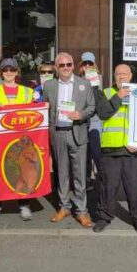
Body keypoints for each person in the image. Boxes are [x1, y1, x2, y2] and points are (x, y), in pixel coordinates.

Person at [92, 63, 137, 233]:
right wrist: (118, 96)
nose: (121, 77)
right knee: (107, 187)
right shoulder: (107, 93)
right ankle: (104, 217)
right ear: (114, 76)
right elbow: (102, 112)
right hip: (110, 149)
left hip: (133, 151)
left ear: (131, 76)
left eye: (124, 74)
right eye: (118, 74)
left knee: (135, 187)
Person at [42, 52, 96, 228]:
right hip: (58, 133)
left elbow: (92, 107)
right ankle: (64, 207)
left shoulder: (84, 83)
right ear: (56, 68)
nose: (66, 68)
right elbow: (45, 108)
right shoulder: (49, 85)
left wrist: (80, 114)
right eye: (62, 65)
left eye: (69, 64)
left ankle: (82, 211)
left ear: (73, 66)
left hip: (77, 133)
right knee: (62, 174)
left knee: (80, 175)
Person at [0, 58, 36, 223]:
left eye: (12, 70)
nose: (9, 73)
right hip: (0, 139)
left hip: (20, 141)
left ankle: (24, 205)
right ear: (1, 72)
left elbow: (35, 112)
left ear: (16, 72)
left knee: (22, 170)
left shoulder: (28, 92)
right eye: (5, 70)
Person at [78, 51, 103, 189]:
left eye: (90, 63)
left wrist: (93, 85)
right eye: (85, 63)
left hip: (94, 119)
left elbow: (98, 99)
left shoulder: (98, 78)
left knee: (95, 149)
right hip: (82, 119)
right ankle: (87, 177)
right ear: (81, 65)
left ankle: (101, 176)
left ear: (94, 65)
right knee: (85, 150)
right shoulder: (76, 79)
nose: (87, 66)